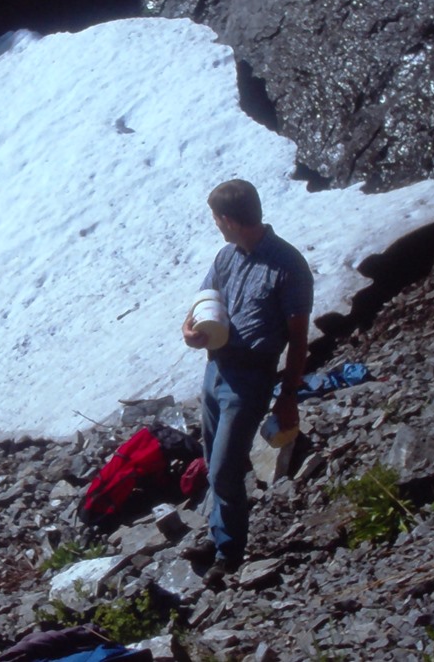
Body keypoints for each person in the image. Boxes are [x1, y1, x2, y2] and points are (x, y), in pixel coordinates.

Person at [181, 179, 313, 587]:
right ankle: (220, 536)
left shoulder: (287, 266)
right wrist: (190, 329)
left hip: (251, 376)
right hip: (216, 368)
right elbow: (204, 302)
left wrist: (287, 397)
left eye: (218, 220)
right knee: (212, 459)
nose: (217, 227)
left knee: (223, 468)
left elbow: (299, 338)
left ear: (229, 220)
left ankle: (229, 553)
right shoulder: (227, 258)